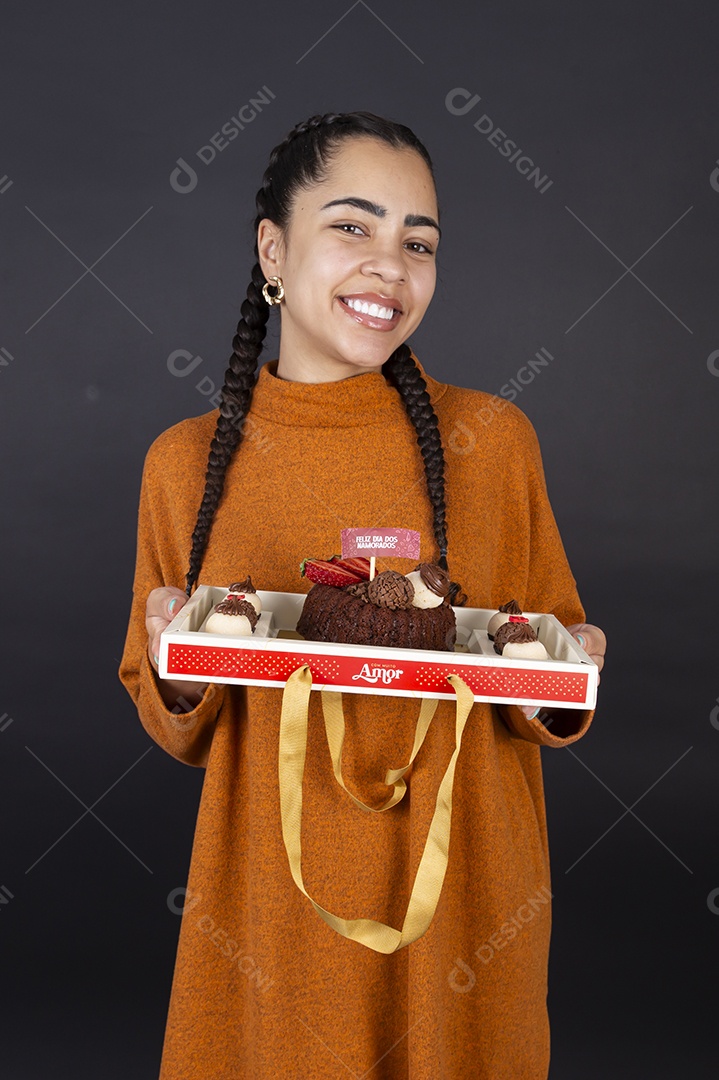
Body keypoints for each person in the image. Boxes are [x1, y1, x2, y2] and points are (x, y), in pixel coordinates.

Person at [119, 111, 606, 1080]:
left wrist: (569, 665)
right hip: (272, 920)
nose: (389, 265)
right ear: (272, 250)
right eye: (352, 226)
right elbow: (174, 720)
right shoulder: (185, 466)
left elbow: (548, 687)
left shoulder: (493, 442)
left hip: (462, 906)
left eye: (417, 243)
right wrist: (178, 666)